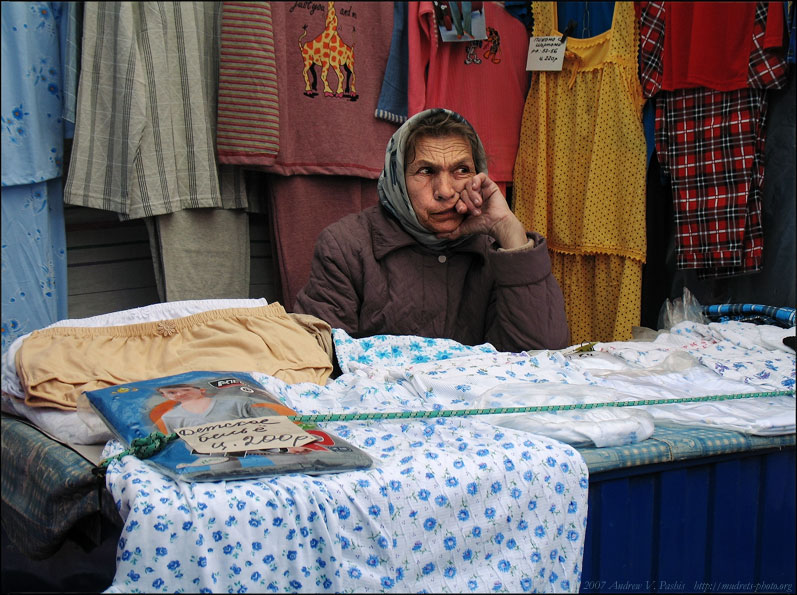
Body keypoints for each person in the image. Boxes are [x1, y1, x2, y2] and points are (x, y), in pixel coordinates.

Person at [294, 108, 570, 353]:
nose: (445, 192)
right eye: (426, 171)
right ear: (397, 180)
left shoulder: (495, 249)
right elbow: (322, 357)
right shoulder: (347, 246)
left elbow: (544, 354)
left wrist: (508, 231)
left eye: (461, 170)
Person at [152, 383, 295, 434]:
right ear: (165, 396)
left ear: (201, 390)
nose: (179, 394)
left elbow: (275, 422)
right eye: (171, 393)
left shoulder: (237, 402)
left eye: (185, 390)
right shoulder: (169, 418)